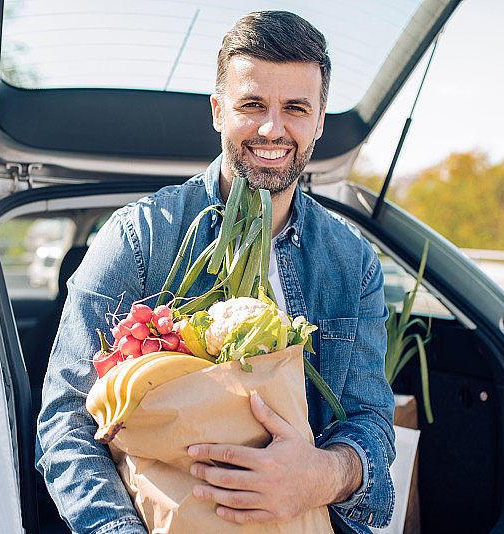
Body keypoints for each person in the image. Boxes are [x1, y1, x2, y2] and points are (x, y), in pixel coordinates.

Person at [35, 10, 396, 534]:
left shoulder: (353, 261)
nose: (273, 127)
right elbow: (67, 422)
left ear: (319, 120)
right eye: (252, 104)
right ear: (218, 110)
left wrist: (319, 475)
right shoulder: (140, 238)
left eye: (296, 108)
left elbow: (371, 424)